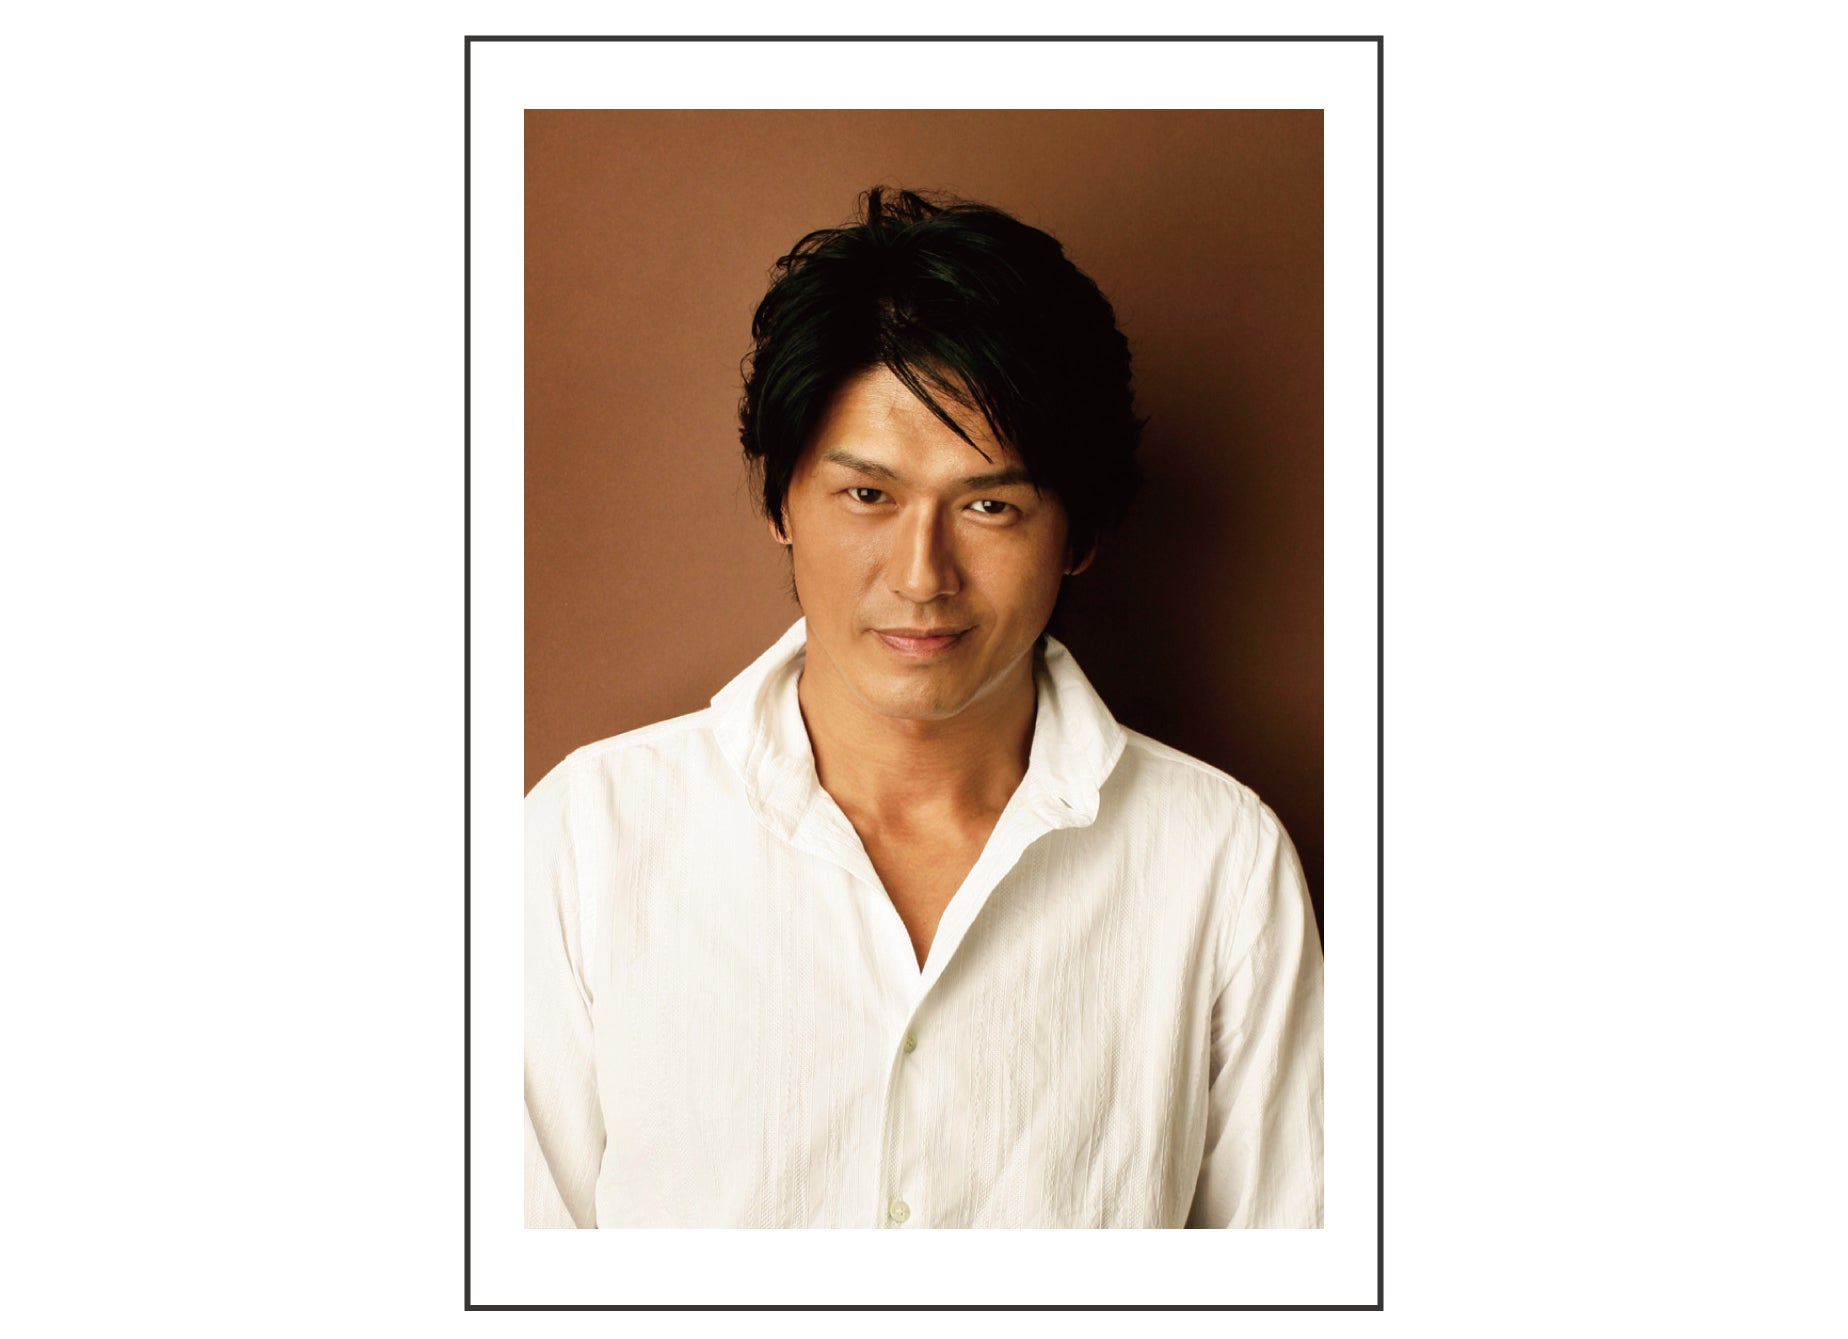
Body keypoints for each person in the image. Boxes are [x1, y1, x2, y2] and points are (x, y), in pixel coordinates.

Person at [525, 187, 1322, 1228]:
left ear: (1079, 534)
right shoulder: (588, 835)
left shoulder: (1219, 858)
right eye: (868, 495)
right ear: (780, 500)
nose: (921, 574)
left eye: (990, 505)